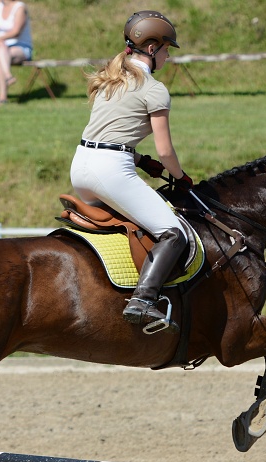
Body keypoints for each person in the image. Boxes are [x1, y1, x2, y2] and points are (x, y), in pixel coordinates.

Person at [69, 10, 193, 333]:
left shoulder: (112, 80)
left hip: (81, 165)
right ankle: (143, 300)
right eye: (167, 49)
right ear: (152, 49)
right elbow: (166, 151)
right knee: (172, 231)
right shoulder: (154, 89)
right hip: (110, 171)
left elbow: (110, 134)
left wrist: (141, 161)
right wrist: (180, 178)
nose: (167, 56)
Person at [0, 0, 33, 104]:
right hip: (1, 47)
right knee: (1, 50)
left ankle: (2, 97)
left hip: (20, 47)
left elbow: (16, 31)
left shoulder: (20, 7)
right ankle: (8, 76)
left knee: (1, 53)